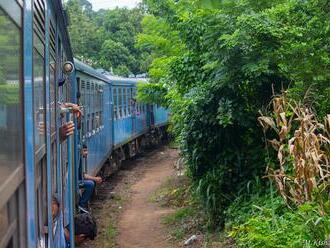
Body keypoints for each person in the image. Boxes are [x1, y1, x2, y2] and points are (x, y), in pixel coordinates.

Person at [78, 145, 102, 212]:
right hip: (75, 182)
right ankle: (82, 204)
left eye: (87, 150)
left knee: (90, 183)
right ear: (80, 151)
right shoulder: (78, 160)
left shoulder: (79, 159)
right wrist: (95, 179)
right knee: (90, 184)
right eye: (84, 151)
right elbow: (83, 176)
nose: (87, 153)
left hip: (77, 180)